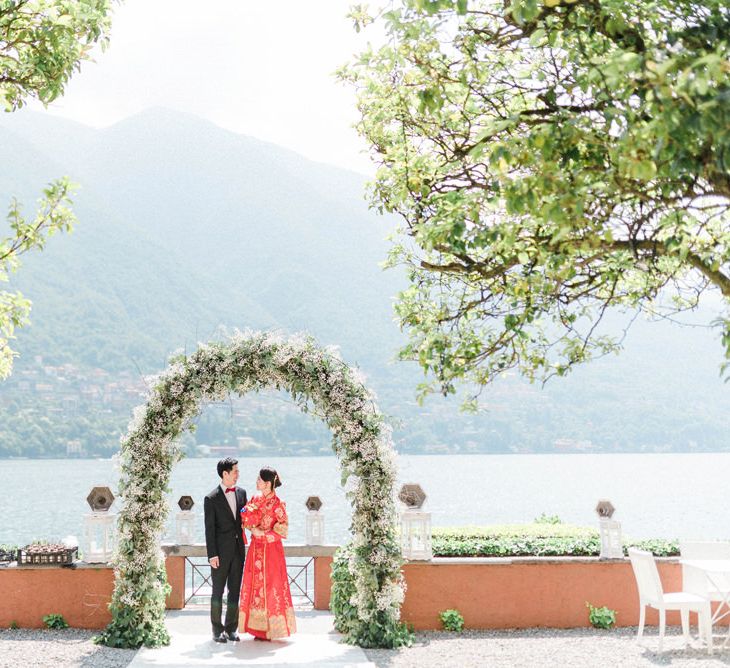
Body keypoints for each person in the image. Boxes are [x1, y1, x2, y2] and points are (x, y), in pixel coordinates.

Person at [239, 466, 297, 640]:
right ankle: (256, 628)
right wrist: (249, 525)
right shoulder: (254, 498)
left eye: (259, 480)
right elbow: (244, 515)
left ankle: (273, 628)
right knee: (253, 584)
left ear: (267, 483)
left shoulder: (278, 504)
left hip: (271, 552)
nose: (256, 482)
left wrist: (262, 534)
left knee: (271, 585)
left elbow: (282, 530)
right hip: (255, 549)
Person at [204, 457, 247, 643]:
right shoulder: (211, 498)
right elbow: (209, 529)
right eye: (235, 471)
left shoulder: (242, 493)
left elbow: (245, 520)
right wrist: (212, 555)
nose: (238, 474)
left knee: (235, 591)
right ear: (225, 473)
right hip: (219, 554)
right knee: (217, 591)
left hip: (238, 551)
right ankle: (216, 629)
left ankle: (231, 629)